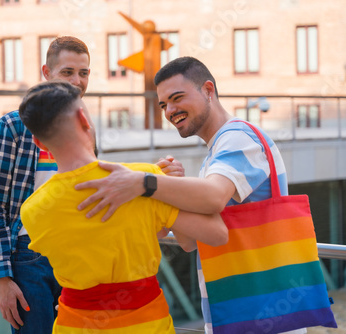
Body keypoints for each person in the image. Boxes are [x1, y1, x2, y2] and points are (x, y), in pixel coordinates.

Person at [74, 56, 306, 334]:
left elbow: (213, 198)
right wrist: (173, 186)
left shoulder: (239, 137)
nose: (170, 110)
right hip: (236, 308)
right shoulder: (216, 153)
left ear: (208, 90)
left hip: (262, 310)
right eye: (163, 105)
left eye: (177, 98)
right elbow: (188, 242)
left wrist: (143, 183)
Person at [17, 80, 228, 333]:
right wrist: (168, 186)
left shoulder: (32, 210)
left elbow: (95, 240)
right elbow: (217, 234)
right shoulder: (142, 178)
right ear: (84, 120)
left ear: (39, 143)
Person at [0, 36, 91, 333]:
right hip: (30, 257)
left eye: (83, 73)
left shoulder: (87, 127)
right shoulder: (15, 126)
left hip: (76, 255)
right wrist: (3, 277)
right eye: (67, 72)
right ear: (47, 72)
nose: (77, 81)